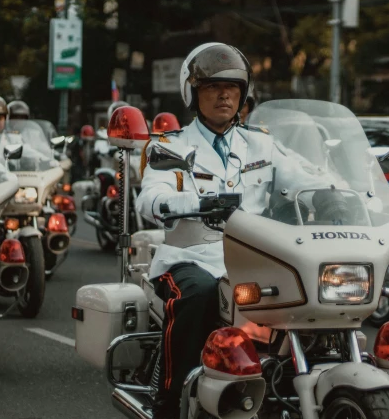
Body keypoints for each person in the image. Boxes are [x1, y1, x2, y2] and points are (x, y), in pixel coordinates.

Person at [136, 43, 331, 419]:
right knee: (198, 295)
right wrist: (180, 203)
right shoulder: (171, 146)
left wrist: (335, 196)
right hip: (192, 257)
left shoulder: (263, 143)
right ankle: (169, 402)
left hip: (258, 258)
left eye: (233, 88)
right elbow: (151, 196)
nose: (224, 94)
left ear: (244, 94)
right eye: (212, 86)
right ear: (193, 93)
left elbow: (306, 179)